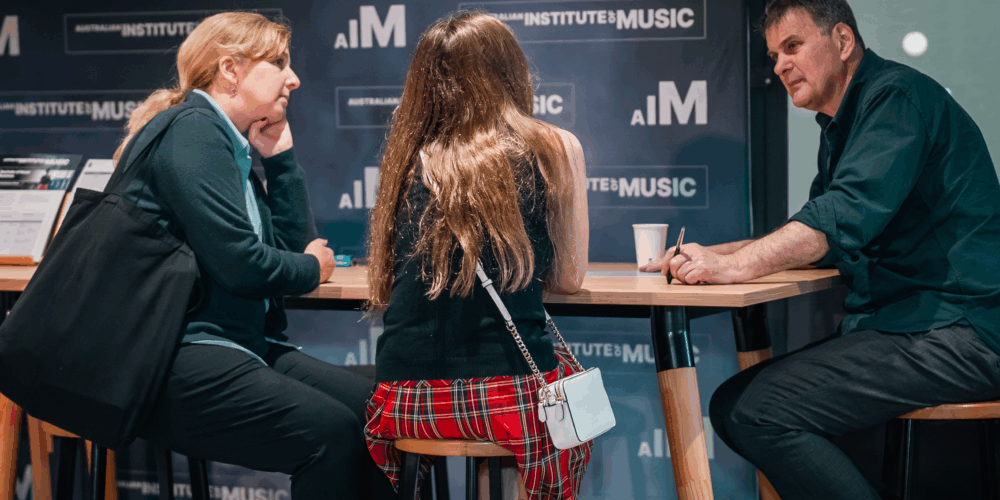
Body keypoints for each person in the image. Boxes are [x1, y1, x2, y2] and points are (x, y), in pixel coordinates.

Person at [642, 0, 1000, 498]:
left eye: (793, 46)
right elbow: (819, 231)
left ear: (843, 41)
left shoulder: (895, 99)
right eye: (774, 55)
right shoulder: (842, 123)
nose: (779, 66)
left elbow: (840, 217)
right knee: (746, 405)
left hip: (963, 331)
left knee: (749, 410)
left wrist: (735, 266)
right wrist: (712, 254)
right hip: (914, 325)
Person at [111, 12, 395, 500]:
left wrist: (280, 160)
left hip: (241, 345)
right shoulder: (192, 132)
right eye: (279, 63)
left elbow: (290, 250)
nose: (294, 78)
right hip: (174, 357)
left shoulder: (227, 144)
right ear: (230, 69)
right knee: (330, 434)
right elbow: (244, 265)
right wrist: (314, 268)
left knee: (381, 414)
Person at [363, 12, 591, 500]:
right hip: (507, 399)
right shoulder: (554, 146)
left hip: (402, 402)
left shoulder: (404, 158)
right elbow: (569, 278)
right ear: (512, 73)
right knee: (564, 399)